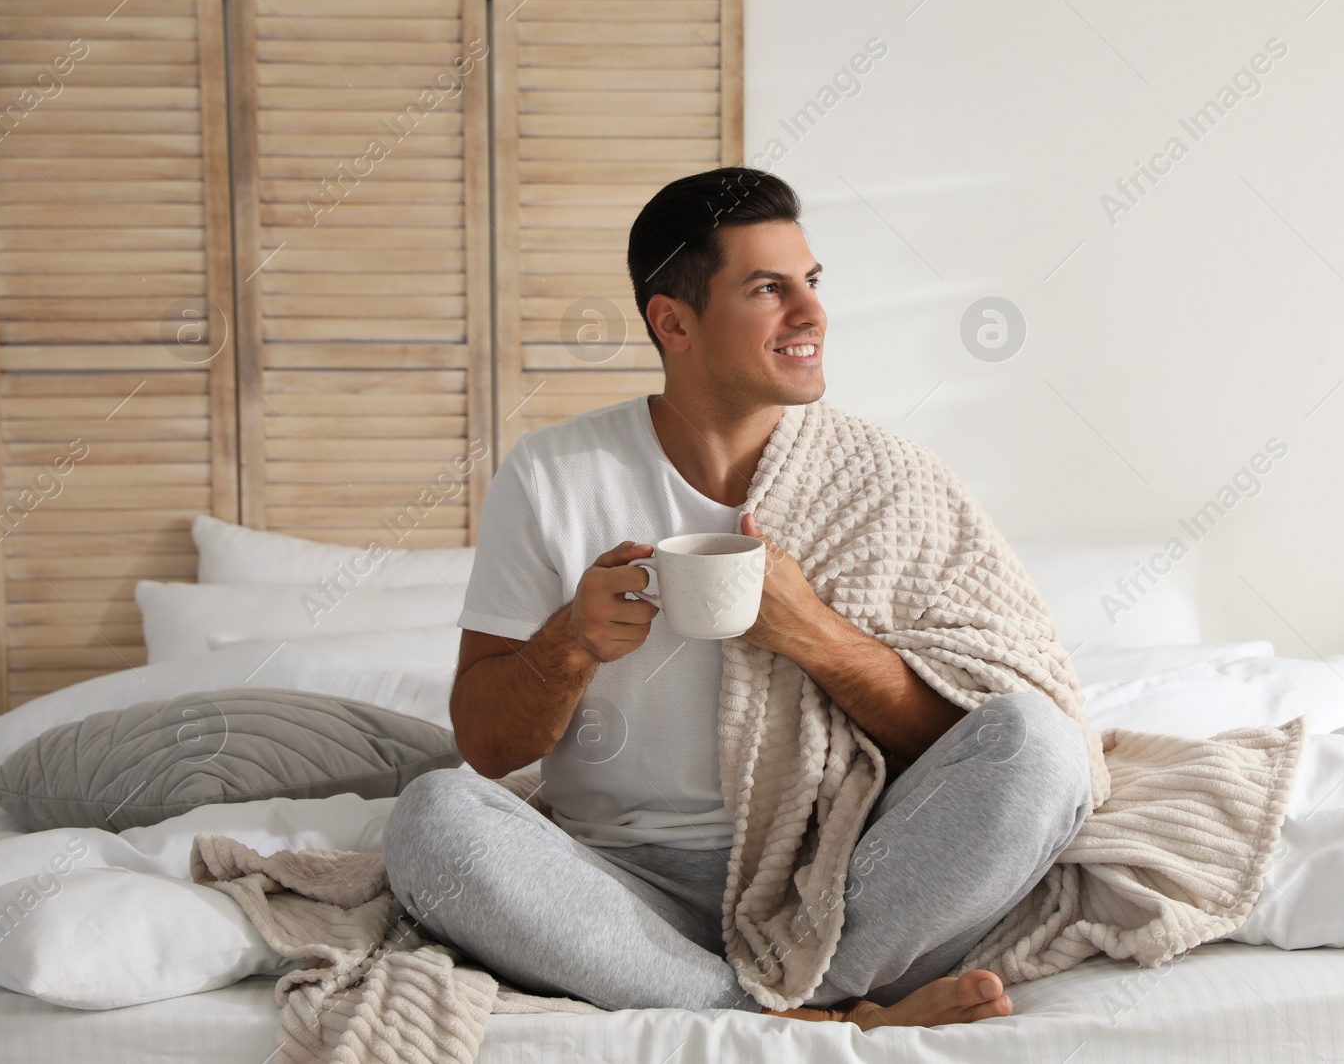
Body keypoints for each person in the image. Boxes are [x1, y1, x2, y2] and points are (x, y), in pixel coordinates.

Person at [381, 167, 1092, 1029]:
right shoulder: (554, 474)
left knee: (1039, 745)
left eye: (813, 283)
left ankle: (773, 1000)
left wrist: (815, 636)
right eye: (768, 288)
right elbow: (487, 746)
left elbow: (967, 735)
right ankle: (807, 1017)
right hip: (619, 886)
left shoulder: (891, 481)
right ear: (672, 321)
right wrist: (571, 642)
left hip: (845, 879)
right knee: (434, 814)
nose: (812, 313)